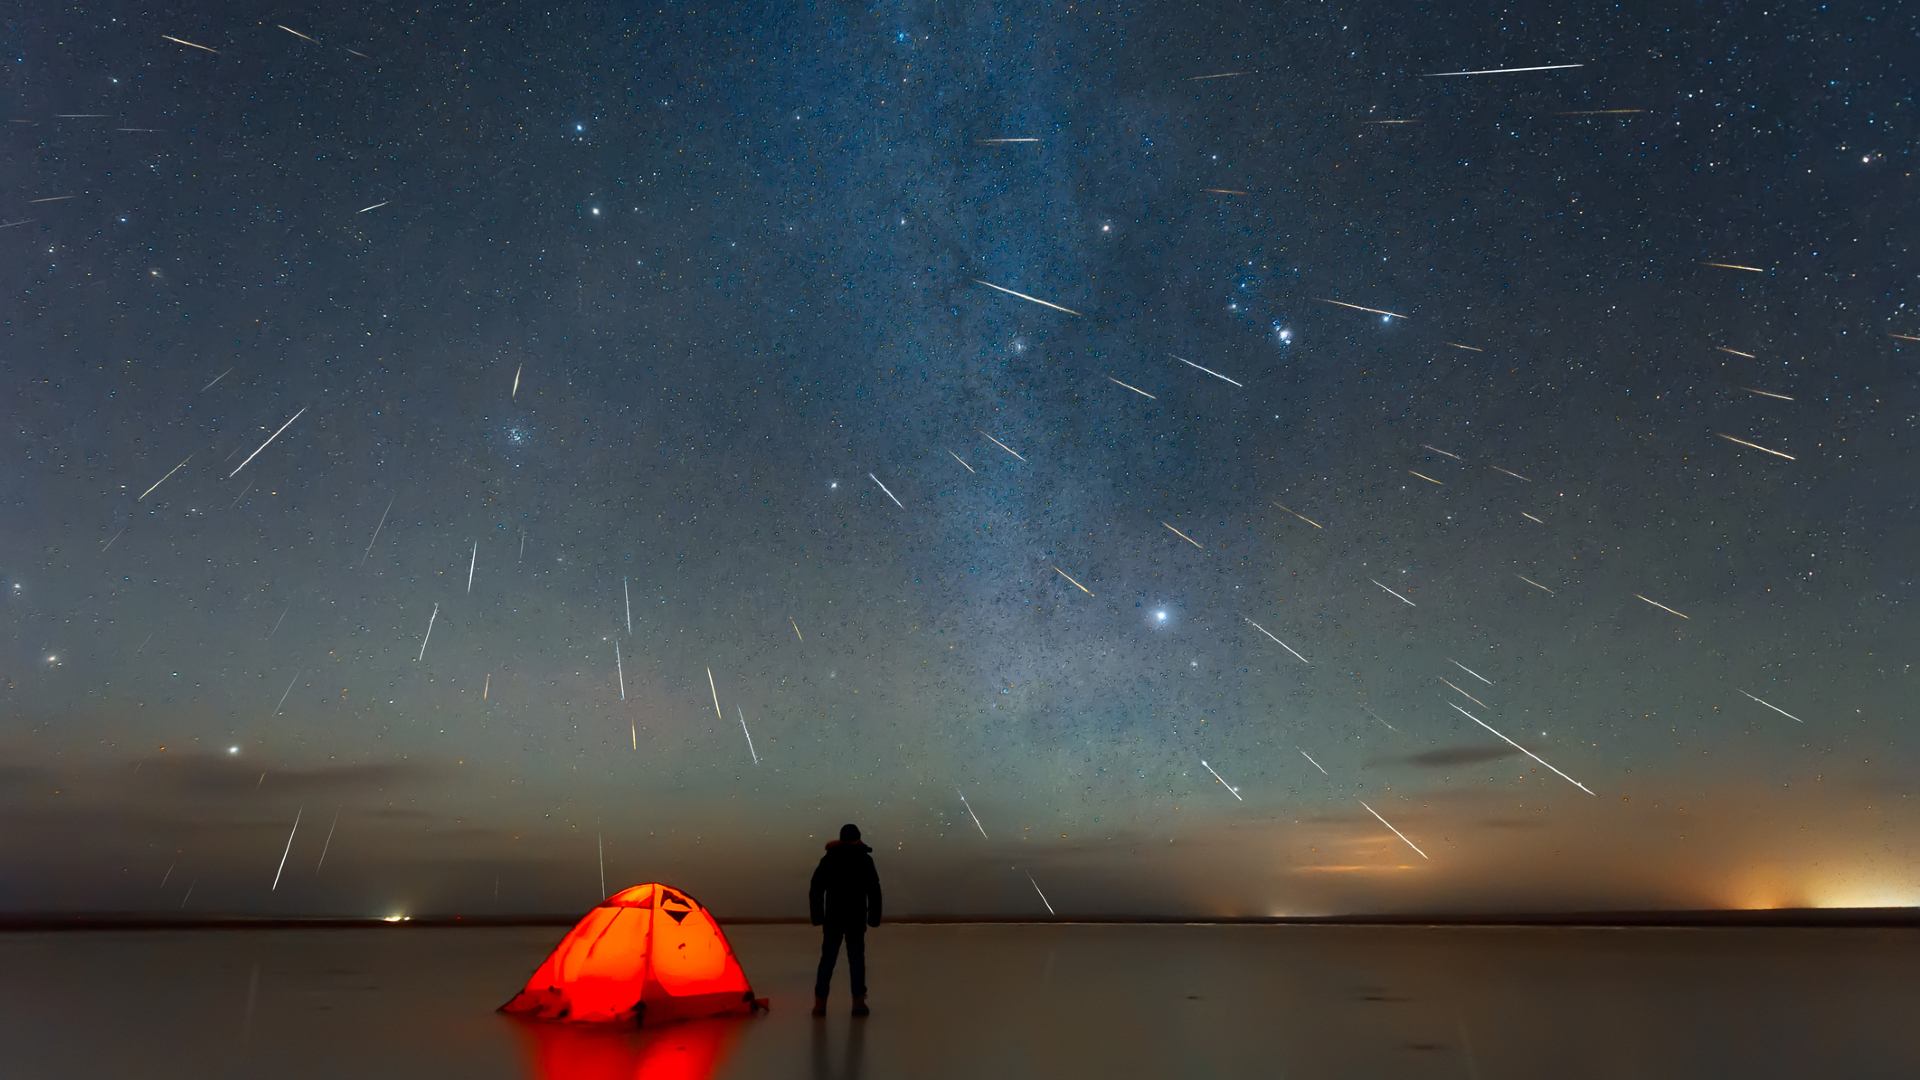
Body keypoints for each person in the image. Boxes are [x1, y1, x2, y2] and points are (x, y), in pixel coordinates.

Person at [809, 822, 882, 1017]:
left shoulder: (830, 858)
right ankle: (858, 1002)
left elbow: (816, 887)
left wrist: (818, 917)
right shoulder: (864, 860)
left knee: (827, 960)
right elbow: (874, 890)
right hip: (855, 918)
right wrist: (873, 917)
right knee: (856, 960)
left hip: (833, 918)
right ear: (858, 838)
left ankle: (820, 1004)